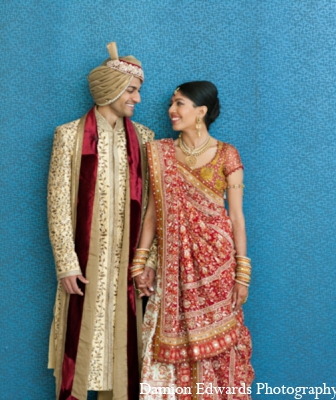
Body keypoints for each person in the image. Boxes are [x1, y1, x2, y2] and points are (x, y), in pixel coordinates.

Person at [47, 42, 157, 400]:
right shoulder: (68, 136)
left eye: (138, 91)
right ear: (110, 89)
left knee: (123, 356)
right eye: (131, 90)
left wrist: (146, 263)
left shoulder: (144, 139)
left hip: (126, 269)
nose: (137, 99)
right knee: (81, 348)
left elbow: (155, 208)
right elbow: (58, 204)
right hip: (84, 267)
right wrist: (66, 264)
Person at [135, 81, 255, 399]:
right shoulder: (160, 153)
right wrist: (140, 261)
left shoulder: (228, 155)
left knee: (219, 350)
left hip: (217, 266)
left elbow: (237, 218)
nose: (171, 111)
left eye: (180, 104)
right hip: (172, 268)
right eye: (172, 104)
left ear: (200, 111)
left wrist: (242, 273)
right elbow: (151, 212)